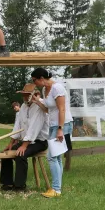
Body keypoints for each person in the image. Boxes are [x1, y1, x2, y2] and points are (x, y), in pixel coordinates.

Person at [31, 68, 73, 198]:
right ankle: (57, 189)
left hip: (63, 125)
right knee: (57, 157)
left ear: (41, 78)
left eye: (35, 80)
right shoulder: (45, 90)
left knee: (51, 157)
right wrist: (37, 102)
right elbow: (48, 110)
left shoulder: (57, 88)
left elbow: (62, 109)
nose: (34, 83)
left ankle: (56, 189)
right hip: (53, 125)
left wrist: (60, 129)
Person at [0, 84, 49, 192]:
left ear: (35, 95)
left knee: (21, 155)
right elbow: (18, 125)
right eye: (24, 95)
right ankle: (7, 184)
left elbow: (34, 128)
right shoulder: (23, 106)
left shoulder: (40, 106)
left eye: (28, 95)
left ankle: (20, 187)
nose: (25, 98)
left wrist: (24, 146)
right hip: (26, 141)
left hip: (39, 142)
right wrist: (11, 143)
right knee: (5, 154)